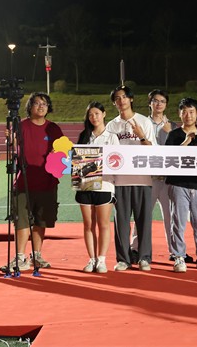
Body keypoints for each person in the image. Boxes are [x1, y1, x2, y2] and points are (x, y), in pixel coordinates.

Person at [1, 93, 64, 272]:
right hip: (24, 182)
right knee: (21, 220)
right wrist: (10, 139)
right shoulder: (21, 126)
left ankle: (36, 255)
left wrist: (60, 155)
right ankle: (20, 257)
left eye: (44, 103)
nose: (41, 106)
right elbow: (12, 145)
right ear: (30, 106)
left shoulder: (53, 128)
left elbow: (63, 153)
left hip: (47, 182)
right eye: (37, 103)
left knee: (40, 221)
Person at [105, 85, 157, 271]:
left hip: (142, 179)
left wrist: (141, 136)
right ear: (114, 103)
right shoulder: (112, 126)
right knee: (121, 223)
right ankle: (123, 259)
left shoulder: (144, 122)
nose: (121, 100)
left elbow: (153, 150)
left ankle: (144, 257)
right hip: (120, 181)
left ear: (131, 99)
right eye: (117, 98)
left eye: (124, 97)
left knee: (144, 221)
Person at [130, 89, 185, 263]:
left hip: (168, 179)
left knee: (171, 217)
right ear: (150, 103)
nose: (159, 104)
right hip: (148, 178)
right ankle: (135, 248)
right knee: (142, 214)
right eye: (155, 101)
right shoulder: (142, 124)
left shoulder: (173, 126)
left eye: (162, 101)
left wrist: (169, 133)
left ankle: (175, 251)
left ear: (166, 105)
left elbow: (179, 151)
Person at [165, 97, 197, 272]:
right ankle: (178, 256)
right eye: (184, 112)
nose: (188, 115)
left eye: (191, 112)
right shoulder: (173, 135)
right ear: (179, 114)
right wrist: (186, 142)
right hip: (178, 183)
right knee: (178, 222)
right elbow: (167, 158)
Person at [75, 102, 119, 273]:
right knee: (88, 224)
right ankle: (91, 259)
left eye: (97, 114)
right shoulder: (84, 136)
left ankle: (101, 260)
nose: (94, 117)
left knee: (103, 224)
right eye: (90, 115)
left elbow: (116, 161)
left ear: (104, 114)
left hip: (105, 185)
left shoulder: (112, 137)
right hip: (85, 185)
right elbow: (77, 161)